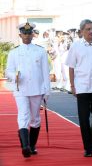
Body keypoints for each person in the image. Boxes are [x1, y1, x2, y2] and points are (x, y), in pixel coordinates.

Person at [65, 19, 92, 157]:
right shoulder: (76, 46)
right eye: (88, 29)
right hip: (82, 87)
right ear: (82, 31)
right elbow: (71, 67)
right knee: (83, 119)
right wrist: (72, 85)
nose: (91, 31)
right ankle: (88, 148)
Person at [6, 22, 50, 158]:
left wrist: (47, 91)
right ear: (20, 35)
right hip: (21, 89)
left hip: (36, 89)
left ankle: (32, 145)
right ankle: (25, 147)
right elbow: (8, 71)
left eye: (29, 33)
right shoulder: (14, 52)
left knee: (35, 119)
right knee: (23, 115)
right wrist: (14, 76)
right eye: (24, 33)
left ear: (32, 34)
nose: (26, 35)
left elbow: (45, 72)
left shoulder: (40, 51)